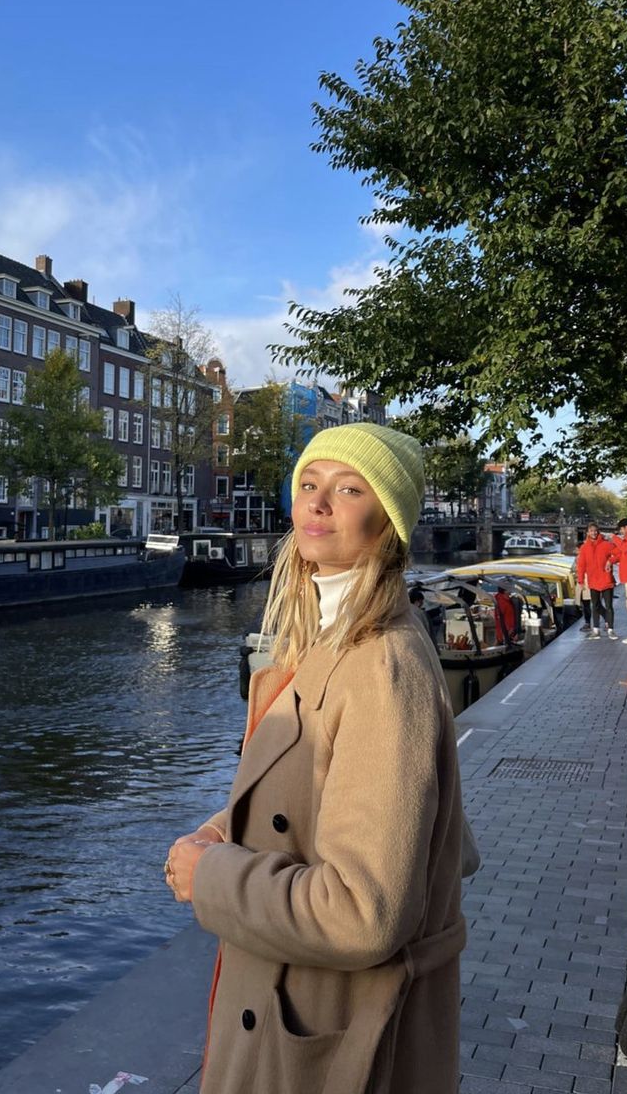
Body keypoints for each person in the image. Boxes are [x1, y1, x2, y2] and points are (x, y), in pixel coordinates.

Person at [164, 422, 466, 1094]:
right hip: (285, 1004)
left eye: (348, 488)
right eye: (308, 484)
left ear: (387, 522)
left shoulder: (379, 663)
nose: (317, 503)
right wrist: (227, 824)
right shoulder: (322, 630)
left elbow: (362, 913)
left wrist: (211, 873)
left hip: (328, 1033)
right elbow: (309, 786)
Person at [576, 523, 617, 639]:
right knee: (595, 605)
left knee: (609, 606)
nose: (593, 533)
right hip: (593, 580)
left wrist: (610, 561)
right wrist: (580, 580)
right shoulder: (584, 548)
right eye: (591, 531)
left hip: (606, 579)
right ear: (587, 532)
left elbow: (618, 553)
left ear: (598, 531)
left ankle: (611, 630)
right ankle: (596, 630)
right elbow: (581, 565)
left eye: (595, 530)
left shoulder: (607, 545)